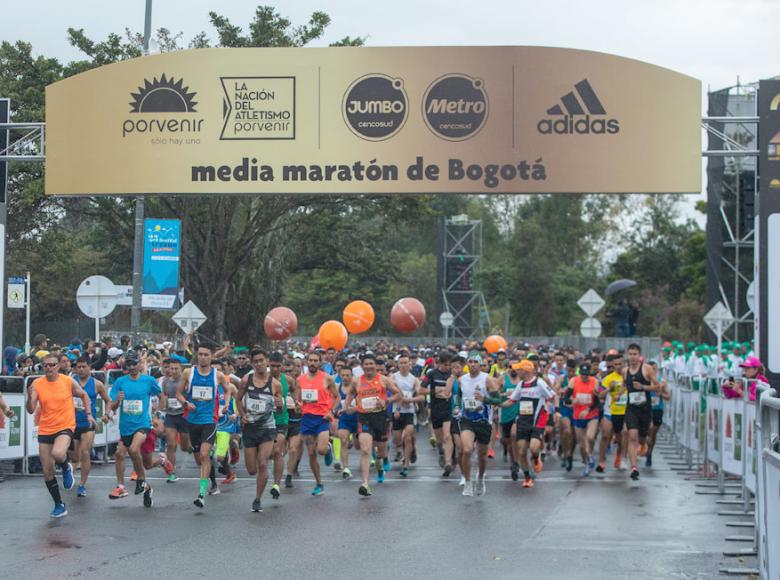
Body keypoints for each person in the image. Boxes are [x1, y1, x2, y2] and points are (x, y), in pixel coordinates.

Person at [26, 353, 95, 517]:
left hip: (65, 426)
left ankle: (66, 466)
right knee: (47, 470)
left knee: (58, 453)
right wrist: (29, 397)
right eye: (45, 366)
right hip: (45, 428)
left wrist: (89, 414)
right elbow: (30, 410)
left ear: (58, 366)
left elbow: (84, 395)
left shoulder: (68, 381)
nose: (48, 368)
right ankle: (59, 505)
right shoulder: (37, 383)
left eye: (52, 365)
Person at [107, 351, 172, 508]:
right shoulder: (120, 382)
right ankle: (125, 487)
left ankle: (141, 481)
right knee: (131, 458)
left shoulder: (148, 381)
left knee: (134, 450)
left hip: (143, 424)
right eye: (127, 364)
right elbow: (113, 405)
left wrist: (158, 415)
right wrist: (117, 401)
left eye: (134, 363)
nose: (131, 367)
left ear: (139, 364)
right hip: (126, 427)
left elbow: (162, 397)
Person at [177, 344, 232, 508]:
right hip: (193, 420)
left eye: (206, 355)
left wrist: (226, 405)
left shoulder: (218, 375)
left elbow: (228, 390)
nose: (202, 357)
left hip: (210, 419)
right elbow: (178, 393)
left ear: (211, 356)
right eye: (200, 354)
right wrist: (186, 403)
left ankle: (201, 494)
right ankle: (213, 481)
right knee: (200, 459)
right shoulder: (189, 373)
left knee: (204, 453)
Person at [343, 353, 402, 497]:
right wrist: (347, 407)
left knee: (381, 451)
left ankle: (381, 464)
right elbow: (350, 393)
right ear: (362, 366)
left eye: (371, 364)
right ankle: (365, 483)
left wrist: (386, 401)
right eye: (366, 364)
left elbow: (399, 395)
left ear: (375, 366)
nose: (369, 366)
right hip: (364, 418)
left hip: (380, 418)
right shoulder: (357, 381)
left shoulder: (384, 380)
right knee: (365, 449)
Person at [236, 349, 282, 512]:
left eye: (261, 360)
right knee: (251, 470)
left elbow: (280, 408)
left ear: (266, 361)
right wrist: (242, 415)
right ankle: (261, 478)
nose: (259, 364)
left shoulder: (275, 384)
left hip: (267, 428)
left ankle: (257, 499)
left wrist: (279, 404)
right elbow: (238, 399)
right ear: (252, 363)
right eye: (255, 361)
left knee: (262, 463)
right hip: (250, 428)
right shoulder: (246, 380)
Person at [501, 360, 554, 488]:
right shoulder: (521, 385)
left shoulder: (539, 383)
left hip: (537, 420)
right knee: (522, 450)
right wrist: (496, 403)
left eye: (518, 369)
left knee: (534, 448)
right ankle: (527, 477)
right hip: (523, 421)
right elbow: (512, 400)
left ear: (525, 371)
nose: (516, 371)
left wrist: (549, 410)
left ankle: (536, 459)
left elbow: (552, 396)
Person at [458, 354, 500, 496]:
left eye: (476, 362)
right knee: (467, 450)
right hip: (467, 419)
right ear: (467, 364)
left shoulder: (486, 379)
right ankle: (468, 483)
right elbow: (458, 397)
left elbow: (498, 399)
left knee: (482, 456)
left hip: (483, 421)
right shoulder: (461, 380)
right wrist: (457, 407)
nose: (473, 364)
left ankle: (480, 478)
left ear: (481, 364)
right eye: (470, 361)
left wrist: (484, 399)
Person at [298, 351, 339, 496]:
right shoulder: (300, 379)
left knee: (320, 450)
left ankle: (328, 448)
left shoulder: (327, 378)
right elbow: (299, 399)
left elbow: (337, 397)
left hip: (322, 418)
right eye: (310, 360)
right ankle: (319, 483)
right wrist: (297, 405)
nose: (313, 363)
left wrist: (331, 411)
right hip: (307, 418)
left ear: (320, 363)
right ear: (307, 362)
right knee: (311, 453)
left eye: (316, 360)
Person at [71, 356, 110, 497]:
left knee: (85, 452)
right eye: (78, 367)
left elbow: (108, 400)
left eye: (83, 367)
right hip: (72, 423)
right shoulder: (70, 382)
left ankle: (82, 484)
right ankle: (70, 475)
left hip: (88, 423)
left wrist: (106, 414)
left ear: (89, 367)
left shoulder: (97, 384)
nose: (81, 370)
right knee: (74, 457)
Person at [622, 343, 660, 481]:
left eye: (635, 354)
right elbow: (624, 385)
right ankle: (634, 467)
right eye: (630, 354)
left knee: (642, 438)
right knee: (632, 435)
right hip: (631, 408)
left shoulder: (647, 369)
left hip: (645, 409)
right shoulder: (625, 370)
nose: (632, 357)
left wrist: (643, 387)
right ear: (627, 355)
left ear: (639, 355)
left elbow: (658, 387)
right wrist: (618, 393)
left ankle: (643, 444)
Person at [269, 351, 299, 495]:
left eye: (277, 366)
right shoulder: (261, 379)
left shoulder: (288, 380)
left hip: (281, 420)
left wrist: (296, 402)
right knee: (268, 454)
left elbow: (294, 391)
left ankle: (276, 484)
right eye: (272, 366)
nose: (274, 369)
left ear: (282, 365)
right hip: (264, 421)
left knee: (277, 451)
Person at [420, 352, 454, 476]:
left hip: (448, 409)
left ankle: (448, 462)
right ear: (439, 363)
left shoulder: (452, 374)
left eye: (450, 365)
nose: (448, 367)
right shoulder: (432, 373)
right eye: (446, 365)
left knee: (447, 436)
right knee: (439, 439)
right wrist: (434, 391)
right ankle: (441, 452)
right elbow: (421, 389)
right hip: (436, 410)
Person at [158, 358, 190, 483]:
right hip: (171, 416)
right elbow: (164, 397)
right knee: (170, 444)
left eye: (177, 368)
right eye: (172, 368)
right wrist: (160, 413)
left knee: (184, 447)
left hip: (184, 416)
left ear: (181, 369)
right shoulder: (165, 382)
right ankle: (172, 472)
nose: (174, 371)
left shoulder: (185, 381)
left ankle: (190, 447)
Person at [391, 353, 423, 478]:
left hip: (409, 412)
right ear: (398, 365)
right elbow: (392, 393)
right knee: (398, 441)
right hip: (397, 412)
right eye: (401, 363)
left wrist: (411, 401)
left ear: (410, 364)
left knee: (407, 437)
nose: (404, 365)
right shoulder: (393, 377)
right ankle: (412, 450)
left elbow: (421, 395)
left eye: (406, 363)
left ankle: (406, 464)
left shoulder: (414, 379)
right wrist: (398, 402)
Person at [597, 353, 627, 473]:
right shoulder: (608, 378)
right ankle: (601, 461)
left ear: (624, 364)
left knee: (622, 436)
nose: (618, 367)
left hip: (625, 411)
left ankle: (620, 457)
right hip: (610, 411)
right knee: (605, 435)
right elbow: (600, 395)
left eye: (620, 364)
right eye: (615, 365)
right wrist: (609, 388)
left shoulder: (628, 376)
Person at [570, 363, 601, 477]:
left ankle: (590, 457)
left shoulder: (595, 382)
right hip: (578, 415)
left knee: (590, 437)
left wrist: (587, 409)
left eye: (586, 375)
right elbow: (566, 398)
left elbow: (597, 401)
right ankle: (588, 461)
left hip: (591, 414)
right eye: (582, 375)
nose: (584, 377)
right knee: (582, 445)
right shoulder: (574, 381)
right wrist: (571, 401)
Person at [336, 366, 359, 479]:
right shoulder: (337, 387)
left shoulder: (357, 388)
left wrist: (355, 408)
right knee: (344, 441)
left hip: (358, 419)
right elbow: (333, 402)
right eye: (343, 375)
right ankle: (345, 468)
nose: (345, 377)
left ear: (352, 376)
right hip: (344, 419)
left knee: (358, 445)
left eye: (347, 375)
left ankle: (374, 456)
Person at [646, 361, 670, 467]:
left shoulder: (662, 382)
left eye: (654, 369)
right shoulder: (644, 381)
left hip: (657, 410)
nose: (652, 371)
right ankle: (645, 448)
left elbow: (668, 397)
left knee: (653, 433)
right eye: (650, 369)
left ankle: (649, 453)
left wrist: (660, 394)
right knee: (649, 429)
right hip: (646, 409)